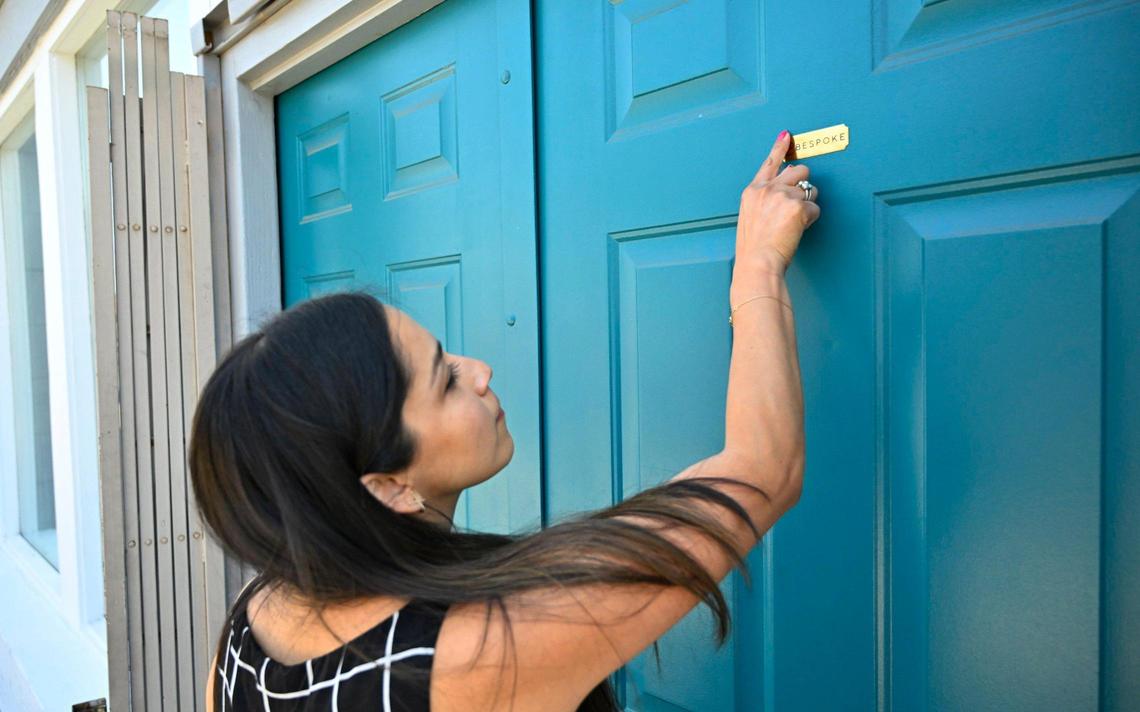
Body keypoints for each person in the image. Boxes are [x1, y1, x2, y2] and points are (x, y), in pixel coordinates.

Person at [194, 129, 820, 711]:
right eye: (445, 380)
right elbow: (761, 471)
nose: (481, 371)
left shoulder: (248, 628)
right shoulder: (466, 658)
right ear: (388, 486)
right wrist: (757, 266)